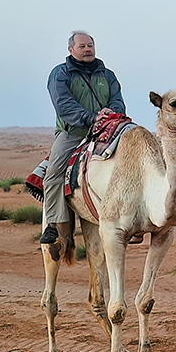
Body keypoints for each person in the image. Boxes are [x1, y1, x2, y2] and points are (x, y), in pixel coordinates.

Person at [41, 31, 126, 250]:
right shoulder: (60, 74)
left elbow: (117, 100)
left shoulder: (107, 75)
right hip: (74, 133)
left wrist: (110, 113)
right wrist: (91, 118)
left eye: (90, 45)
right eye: (82, 46)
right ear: (71, 50)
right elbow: (64, 105)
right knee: (53, 175)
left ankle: (130, 218)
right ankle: (53, 224)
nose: (87, 49)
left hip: (106, 130)